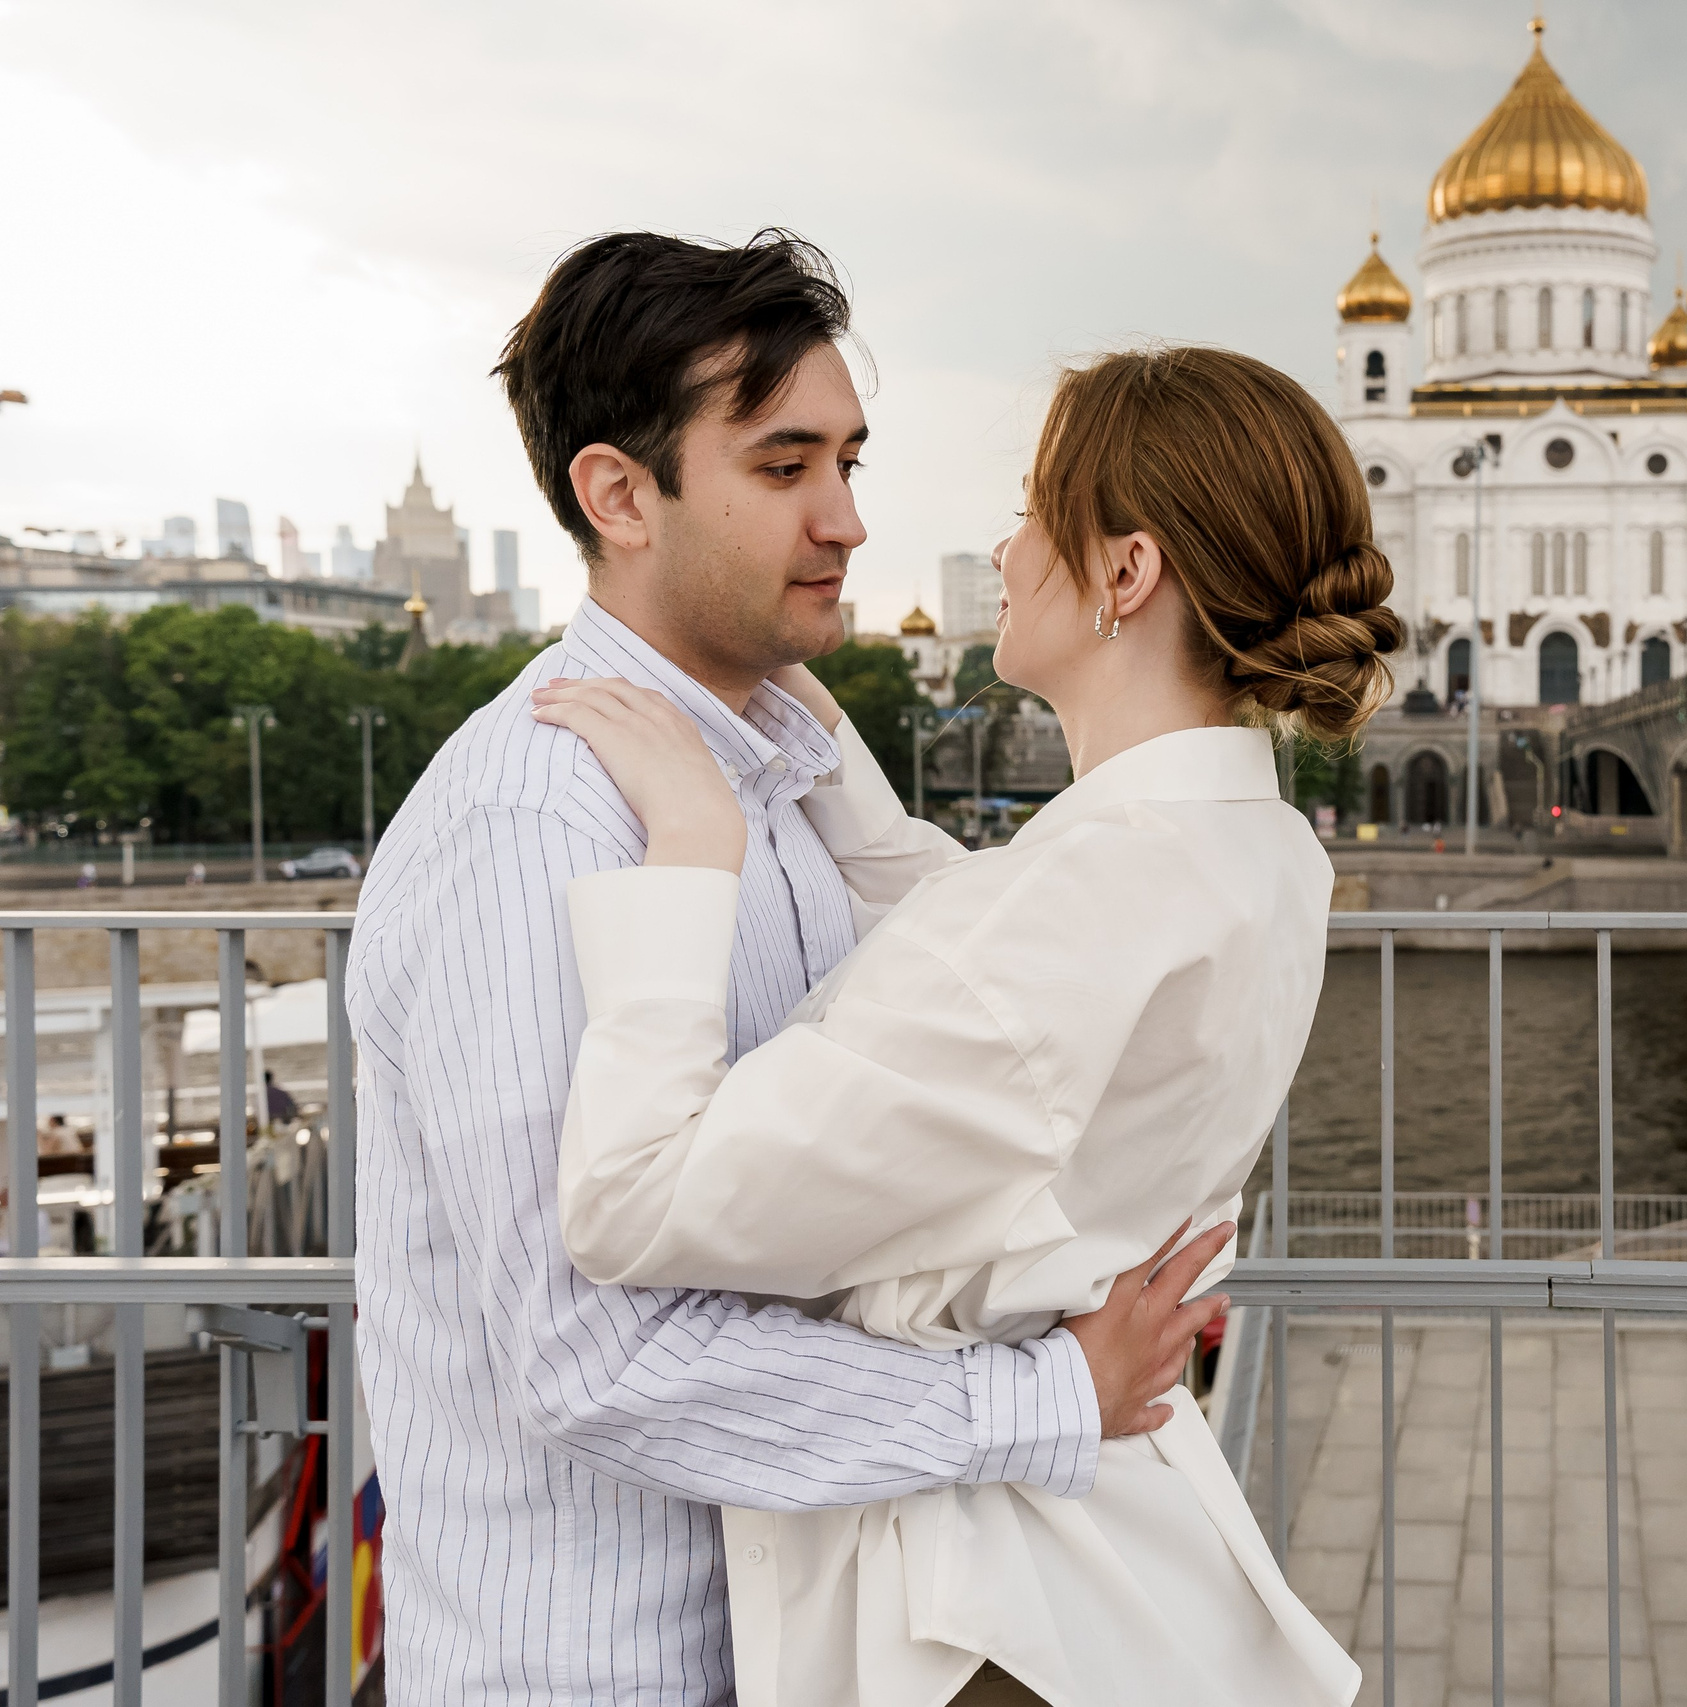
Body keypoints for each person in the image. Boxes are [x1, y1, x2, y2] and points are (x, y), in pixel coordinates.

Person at [347, 231, 1223, 1706]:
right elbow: (589, 1357)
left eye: (852, 464)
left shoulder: (779, 785)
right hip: (607, 1668)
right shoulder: (535, 825)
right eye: (783, 468)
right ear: (618, 495)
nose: (845, 521)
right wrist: (1042, 1398)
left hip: (797, 1647)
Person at [534, 346, 1388, 1706]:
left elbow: (636, 1205)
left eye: (1036, 508)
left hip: (982, 1613)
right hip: (1108, 1566)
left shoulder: (1079, 904)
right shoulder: (1261, 848)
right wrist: (805, 720)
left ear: (1124, 573)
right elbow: (1002, 977)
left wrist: (695, 844)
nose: (1004, 545)